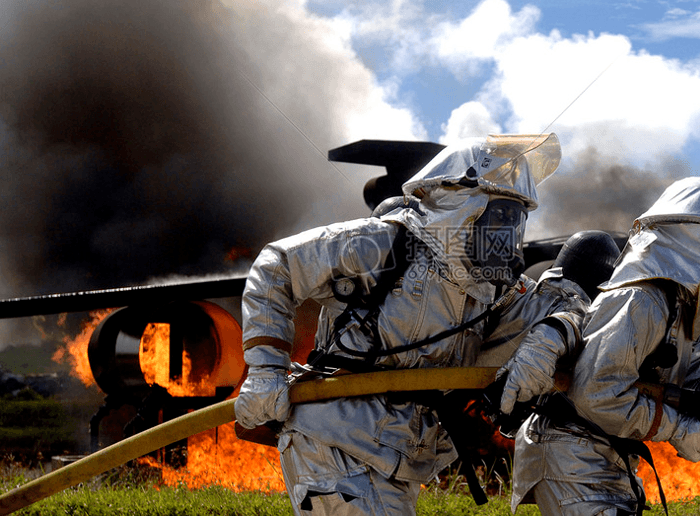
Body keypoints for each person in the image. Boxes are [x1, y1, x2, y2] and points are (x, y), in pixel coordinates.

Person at [234, 133, 593, 515]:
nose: (508, 238)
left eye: (515, 222)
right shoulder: (383, 244)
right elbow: (277, 267)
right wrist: (265, 369)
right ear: (461, 205)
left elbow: (573, 310)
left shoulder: (492, 289)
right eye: (501, 218)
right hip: (331, 441)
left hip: (401, 457)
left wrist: (553, 336)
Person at [504, 177, 700, 515]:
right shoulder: (641, 300)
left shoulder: (680, 310)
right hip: (572, 456)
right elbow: (597, 393)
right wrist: (675, 428)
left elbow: (690, 388)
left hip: (608, 456)